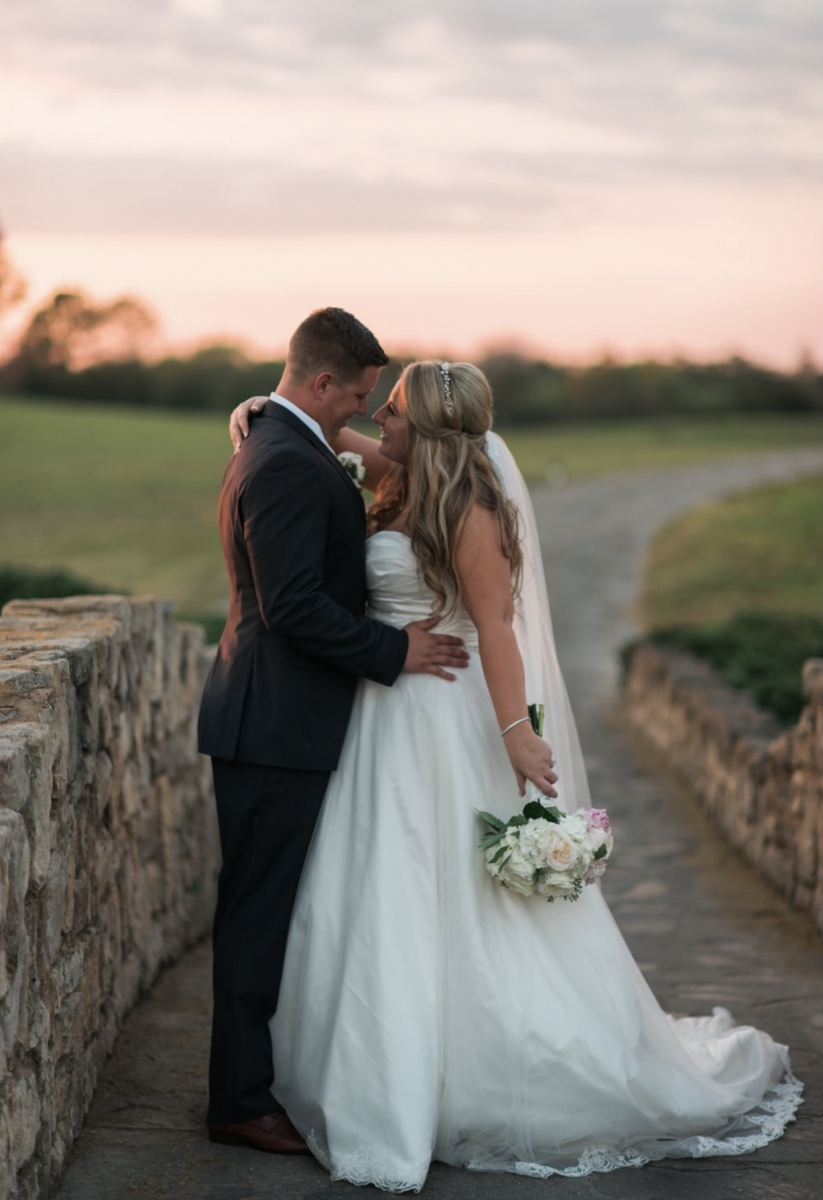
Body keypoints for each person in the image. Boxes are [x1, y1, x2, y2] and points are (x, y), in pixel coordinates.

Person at [229, 360, 801, 1190]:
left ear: (428, 430)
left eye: (394, 410)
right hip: (380, 716)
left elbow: (496, 627)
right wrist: (263, 405)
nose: (379, 419)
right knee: (376, 881)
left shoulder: (470, 507)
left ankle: (463, 1076)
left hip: (442, 718)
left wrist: (516, 734)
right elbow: (334, 430)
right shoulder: (402, 471)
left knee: (448, 888)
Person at [197, 310, 479, 1156]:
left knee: (266, 910)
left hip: (279, 720)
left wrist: (256, 405)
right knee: (256, 917)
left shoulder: (285, 439)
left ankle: (252, 1084)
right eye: (358, 396)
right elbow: (290, 607)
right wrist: (395, 650)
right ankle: (239, 1101)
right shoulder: (285, 459)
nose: (364, 412)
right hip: (272, 724)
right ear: (322, 382)